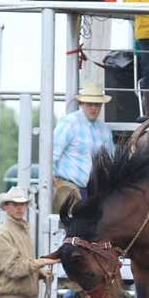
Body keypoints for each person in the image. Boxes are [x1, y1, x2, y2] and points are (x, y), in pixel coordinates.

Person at [53, 84, 114, 213]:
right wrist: (52, 180)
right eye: (90, 104)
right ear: (82, 104)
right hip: (68, 186)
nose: (94, 108)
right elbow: (51, 154)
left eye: (97, 105)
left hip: (95, 189)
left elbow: (110, 159)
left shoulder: (105, 129)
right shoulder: (69, 123)